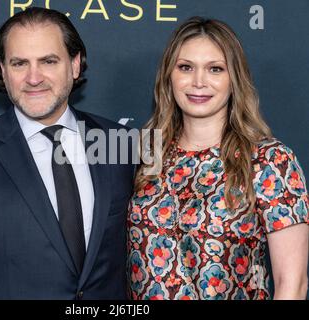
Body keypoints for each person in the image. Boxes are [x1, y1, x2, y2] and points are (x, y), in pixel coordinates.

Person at [0, 7, 134, 299]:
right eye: (20, 63)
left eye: (48, 61)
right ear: (4, 71)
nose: (34, 78)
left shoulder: (118, 143)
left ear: (75, 65)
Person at [128, 16, 308, 300]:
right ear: (168, 76)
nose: (198, 82)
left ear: (234, 79)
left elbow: (292, 283)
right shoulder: (146, 155)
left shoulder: (269, 161)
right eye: (186, 67)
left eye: (215, 69)